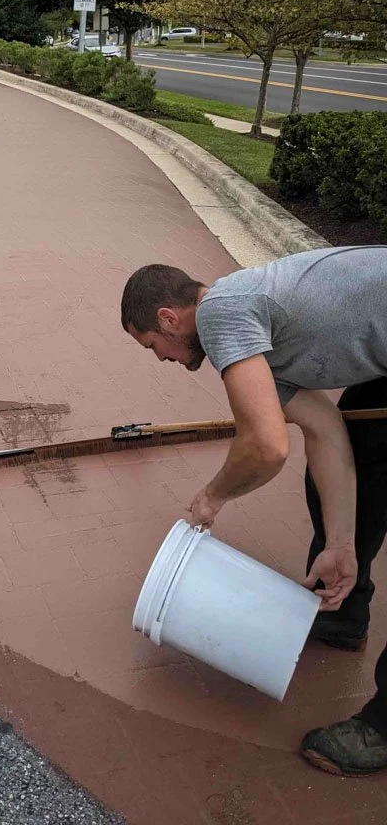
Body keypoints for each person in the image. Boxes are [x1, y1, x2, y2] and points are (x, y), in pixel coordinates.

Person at [120, 246, 387, 777]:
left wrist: (210, 498)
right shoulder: (255, 334)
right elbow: (325, 430)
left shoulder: (221, 312)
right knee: (359, 441)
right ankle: (343, 609)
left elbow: (265, 446)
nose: (162, 360)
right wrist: (341, 543)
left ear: (169, 318)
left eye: (153, 346)